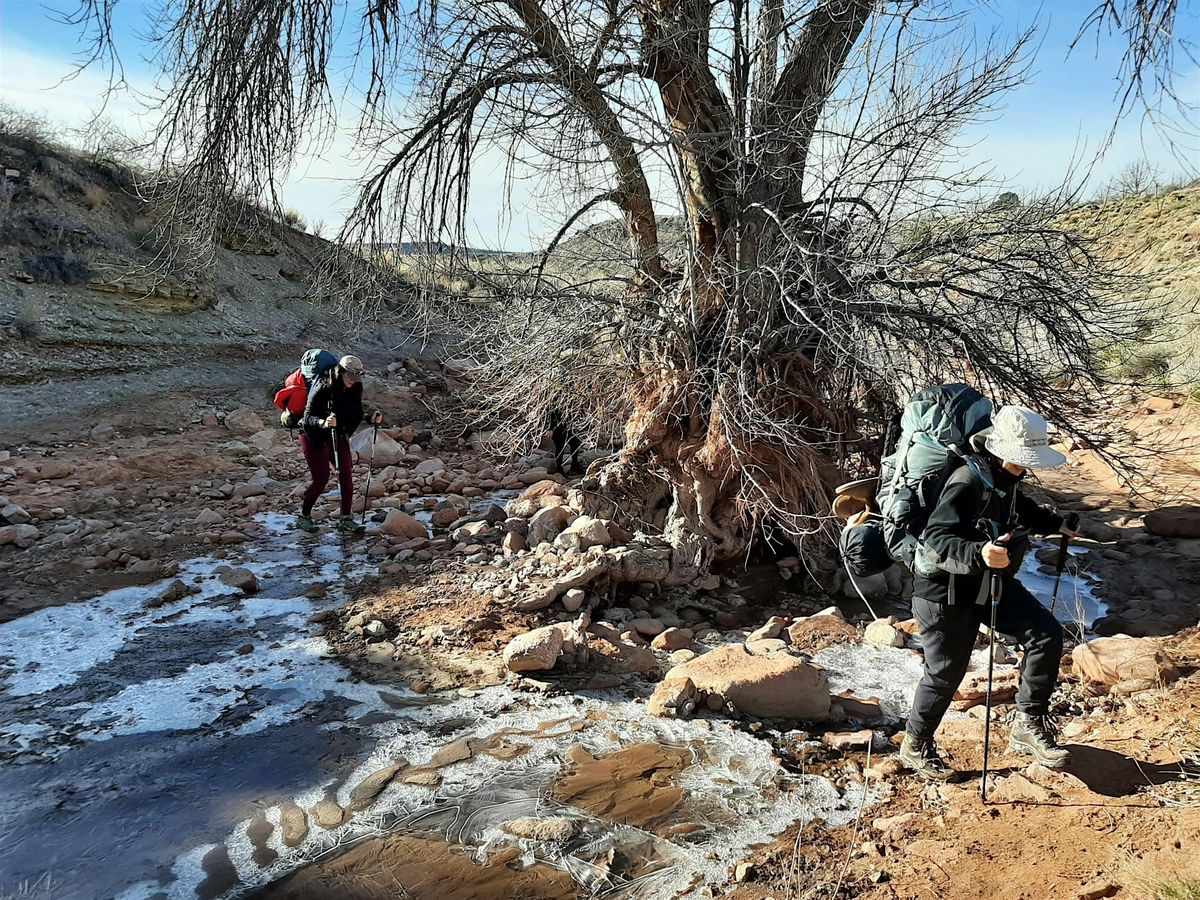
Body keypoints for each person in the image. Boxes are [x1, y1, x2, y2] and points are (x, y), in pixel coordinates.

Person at [899, 405, 1078, 781]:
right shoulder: (966, 480)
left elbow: (1018, 509)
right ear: (1001, 451)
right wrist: (978, 552)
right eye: (1022, 459)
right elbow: (936, 535)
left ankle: (1027, 724)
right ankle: (915, 745)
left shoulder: (1004, 476)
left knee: (1046, 633)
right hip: (942, 591)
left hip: (987, 582)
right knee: (946, 672)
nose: (1026, 466)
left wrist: (1055, 523)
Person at [295, 355, 383, 533]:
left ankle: (346, 518)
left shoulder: (355, 386)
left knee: (346, 474)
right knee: (321, 479)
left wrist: (370, 418)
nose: (353, 381)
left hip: (338, 433)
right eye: (350, 377)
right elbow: (307, 418)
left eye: (356, 377)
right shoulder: (322, 386)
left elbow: (356, 412)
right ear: (341, 371)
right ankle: (304, 516)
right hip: (314, 435)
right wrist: (323, 423)